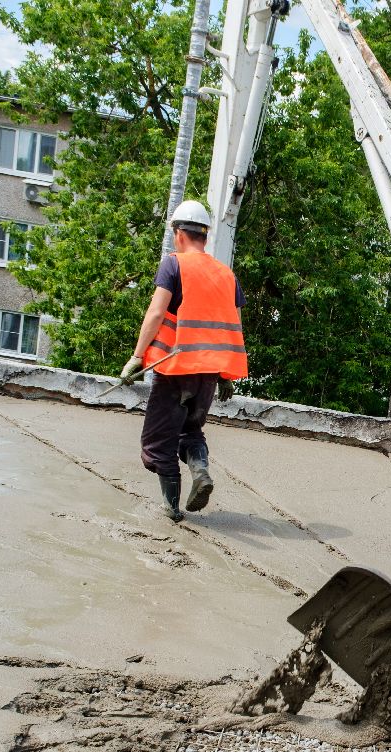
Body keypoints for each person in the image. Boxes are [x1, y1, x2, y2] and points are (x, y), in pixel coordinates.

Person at [119, 200, 248, 522]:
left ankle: (172, 509)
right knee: (191, 432)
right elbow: (232, 326)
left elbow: (157, 312)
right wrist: (226, 375)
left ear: (179, 234)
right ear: (204, 236)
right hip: (208, 373)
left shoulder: (174, 264)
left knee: (157, 441)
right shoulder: (226, 274)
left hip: (175, 369)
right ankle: (200, 470)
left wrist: (137, 357)